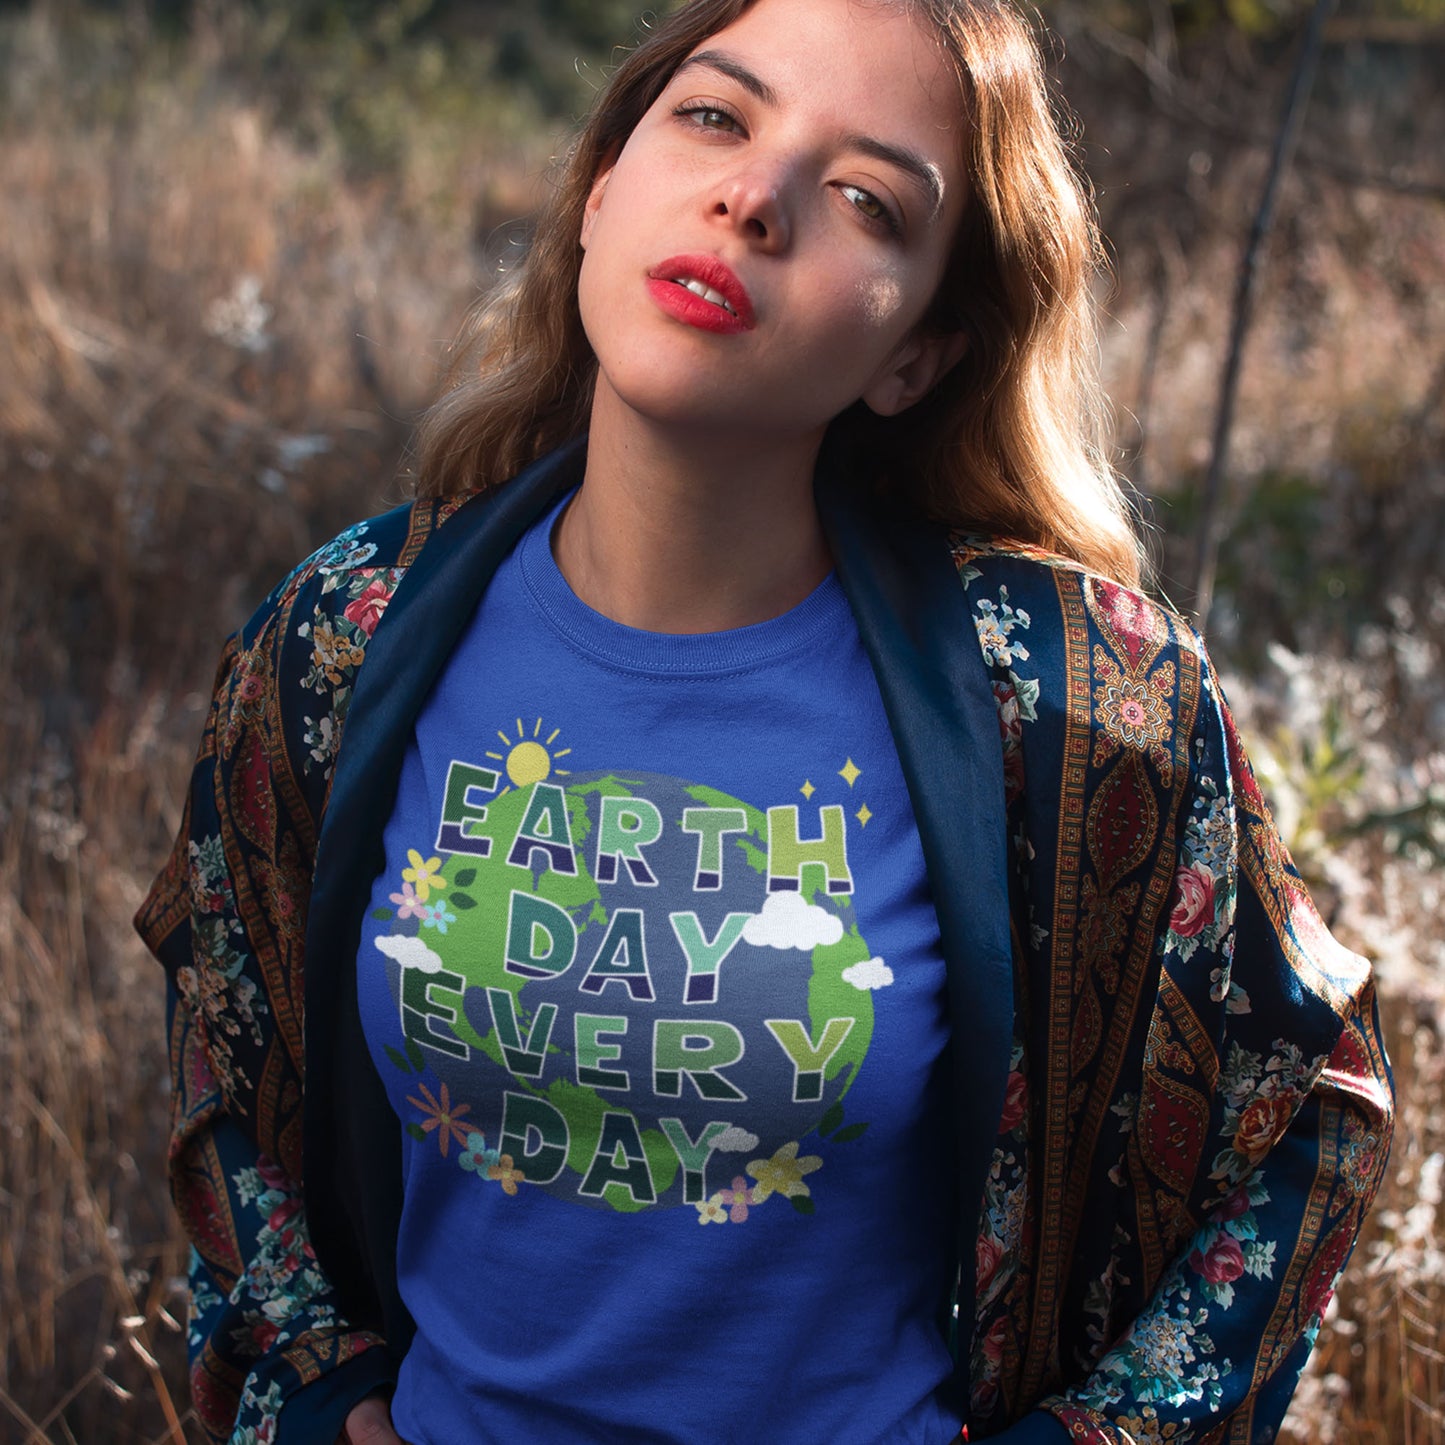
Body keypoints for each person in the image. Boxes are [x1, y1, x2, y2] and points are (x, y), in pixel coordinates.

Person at [136, 0, 1394, 1440]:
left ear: (913, 353)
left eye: (864, 196)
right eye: (715, 117)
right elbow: (225, 1031)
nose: (755, 197)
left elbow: (1311, 1110)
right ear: (606, 187)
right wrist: (323, 1380)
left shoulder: (1082, 702)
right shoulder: (343, 633)